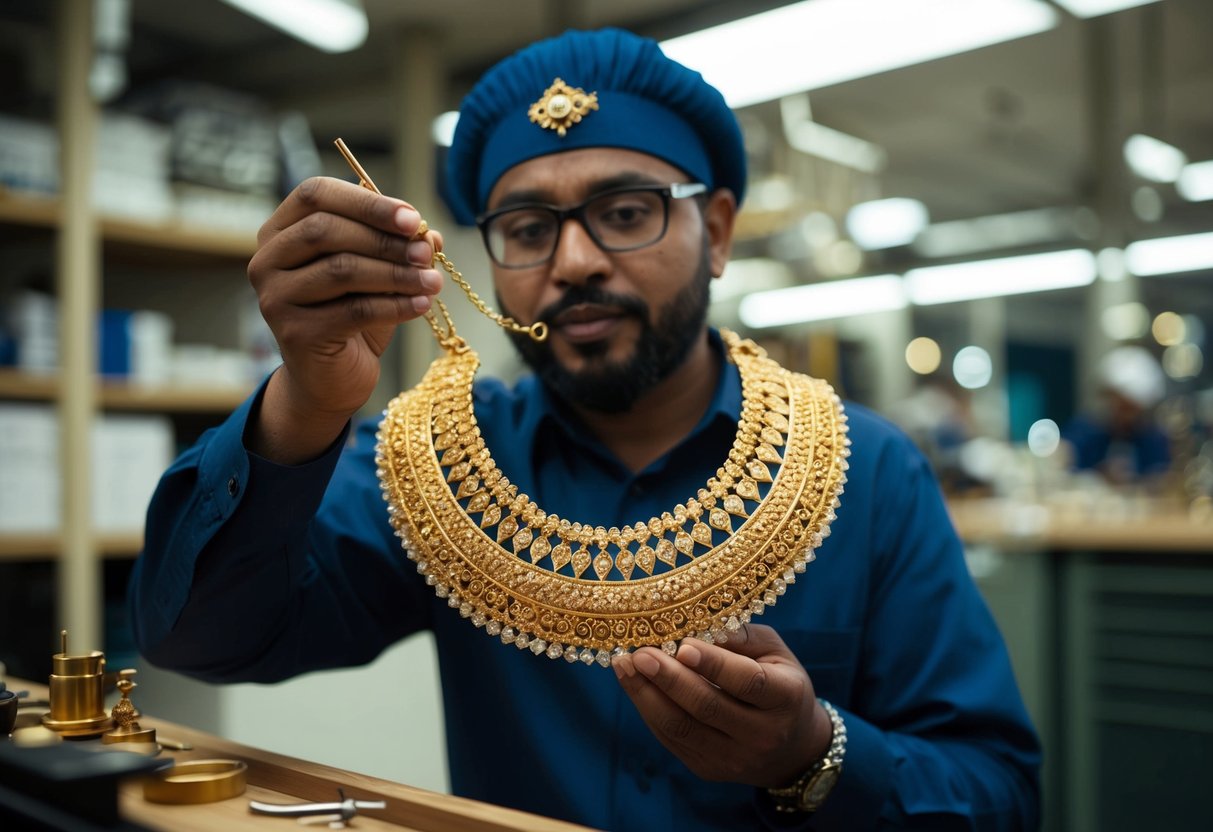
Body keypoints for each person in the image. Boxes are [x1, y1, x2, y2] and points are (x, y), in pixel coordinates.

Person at [128, 28, 1040, 831]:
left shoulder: (865, 470)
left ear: (716, 231)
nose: (573, 262)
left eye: (626, 213)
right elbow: (197, 639)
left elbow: (999, 794)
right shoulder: (437, 466)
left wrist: (812, 755)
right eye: (526, 228)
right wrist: (306, 399)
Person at [1063, 345, 1170, 485]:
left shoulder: (1153, 439)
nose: (1126, 415)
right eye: (1121, 406)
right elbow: (1066, 472)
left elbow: (1161, 478)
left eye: (1131, 408)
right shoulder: (1084, 432)